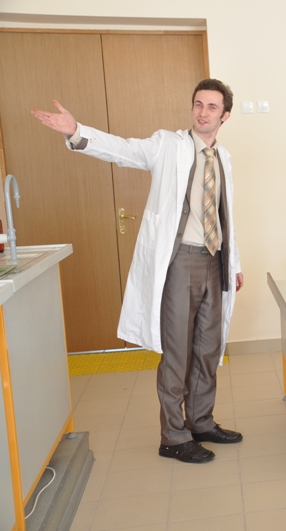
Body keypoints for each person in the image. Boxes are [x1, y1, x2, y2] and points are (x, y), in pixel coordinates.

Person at [32, 79, 244, 464]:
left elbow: (225, 215)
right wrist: (77, 132)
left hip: (215, 261)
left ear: (224, 116)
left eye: (212, 107)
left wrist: (236, 264)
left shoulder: (223, 157)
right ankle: (173, 436)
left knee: (208, 348)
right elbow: (124, 150)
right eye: (198, 104)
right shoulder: (167, 145)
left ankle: (200, 421)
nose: (202, 112)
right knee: (177, 352)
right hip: (179, 262)